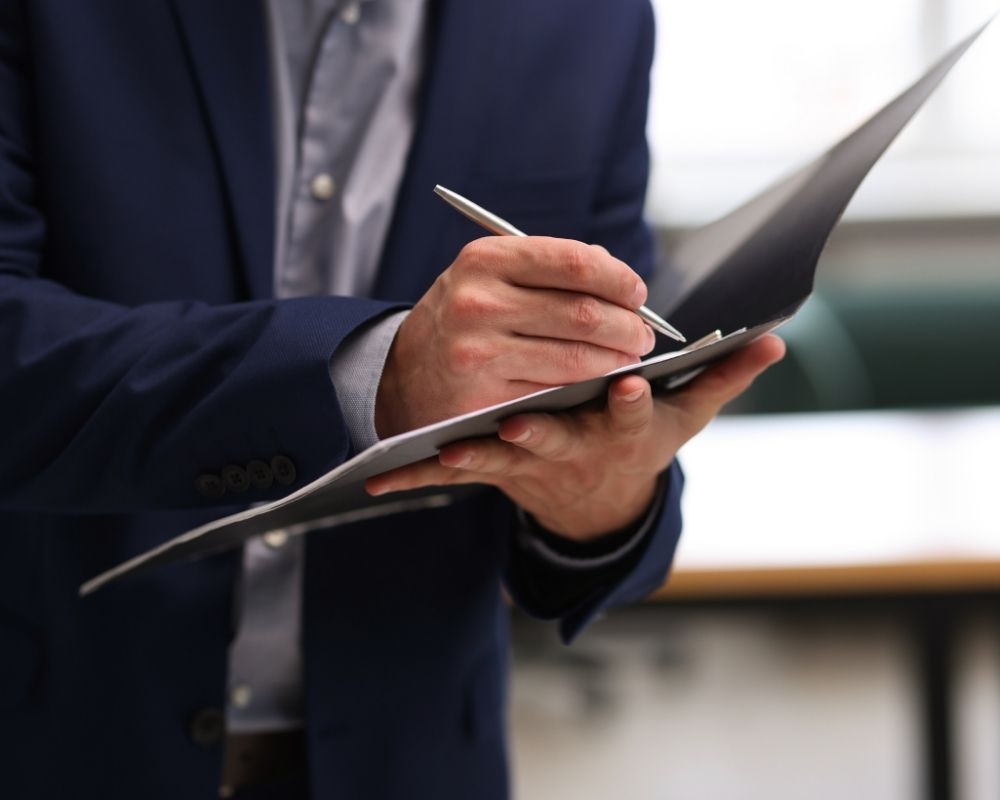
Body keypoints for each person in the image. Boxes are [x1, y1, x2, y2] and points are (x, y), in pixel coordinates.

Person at [0, 0, 783, 798]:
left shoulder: (591, 21)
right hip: (58, 734)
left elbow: (601, 393)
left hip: (420, 757)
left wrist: (602, 493)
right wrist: (378, 375)